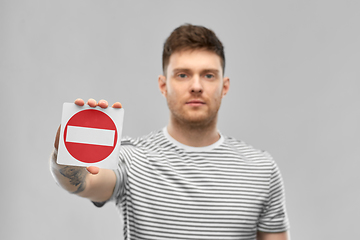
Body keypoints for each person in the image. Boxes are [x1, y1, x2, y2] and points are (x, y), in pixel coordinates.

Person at [50, 23, 290, 240]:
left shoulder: (261, 168)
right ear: (163, 85)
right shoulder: (132, 158)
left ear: (224, 86)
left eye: (208, 75)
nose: (196, 86)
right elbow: (84, 183)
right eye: (182, 75)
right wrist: (66, 156)